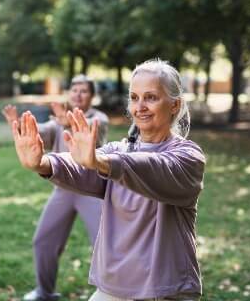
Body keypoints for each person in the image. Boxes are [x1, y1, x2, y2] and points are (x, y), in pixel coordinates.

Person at [10, 59, 205, 301]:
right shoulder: (118, 150)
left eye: (151, 97)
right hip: (115, 287)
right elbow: (81, 166)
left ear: (175, 105)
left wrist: (102, 163)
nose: (140, 106)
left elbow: (154, 168)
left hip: (165, 289)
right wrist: (42, 163)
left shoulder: (188, 157)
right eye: (134, 98)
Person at [2, 75, 109, 301]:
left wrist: (68, 122)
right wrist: (17, 123)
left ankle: (111, 292)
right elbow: (39, 133)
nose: (78, 94)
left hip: (91, 190)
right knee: (43, 241)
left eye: (84, 91)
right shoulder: (57, 122)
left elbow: (93, 135)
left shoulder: (100, 119)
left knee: (105, 244)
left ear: (92, 96)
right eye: (74, 90)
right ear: (69, 93)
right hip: (63, 191)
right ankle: (45, 291)